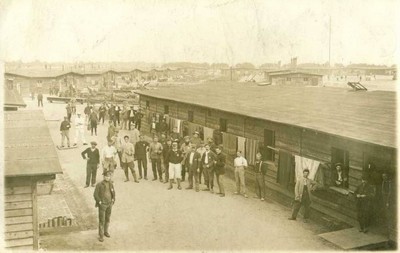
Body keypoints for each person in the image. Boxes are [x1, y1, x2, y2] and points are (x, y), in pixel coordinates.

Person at [94, 171, 115, 242]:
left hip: (109, 204)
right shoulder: (99, 184)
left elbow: (113, 192)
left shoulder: (111, 184)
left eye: (109, 176)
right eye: (106, 176)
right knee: (102, 220)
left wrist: (113, 199)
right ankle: (101, 235)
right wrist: (99, 202)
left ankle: (106, 232)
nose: (107, 177)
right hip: (102, 205)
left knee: (108, 218)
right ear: (104, 177)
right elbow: (95, 194)